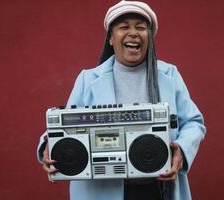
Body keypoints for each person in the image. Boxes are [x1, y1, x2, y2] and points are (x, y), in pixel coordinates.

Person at [37, 1, 206, 200]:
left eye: (141, 27)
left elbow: (194, 123)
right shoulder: (88, 79)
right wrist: (47, 146)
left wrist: (182, 151)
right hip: (100, 192)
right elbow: (63, 126)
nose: (133, 33)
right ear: (110, 38)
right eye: (124, 27)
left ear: (150, 38)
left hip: (157, 189)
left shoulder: (169, 75)